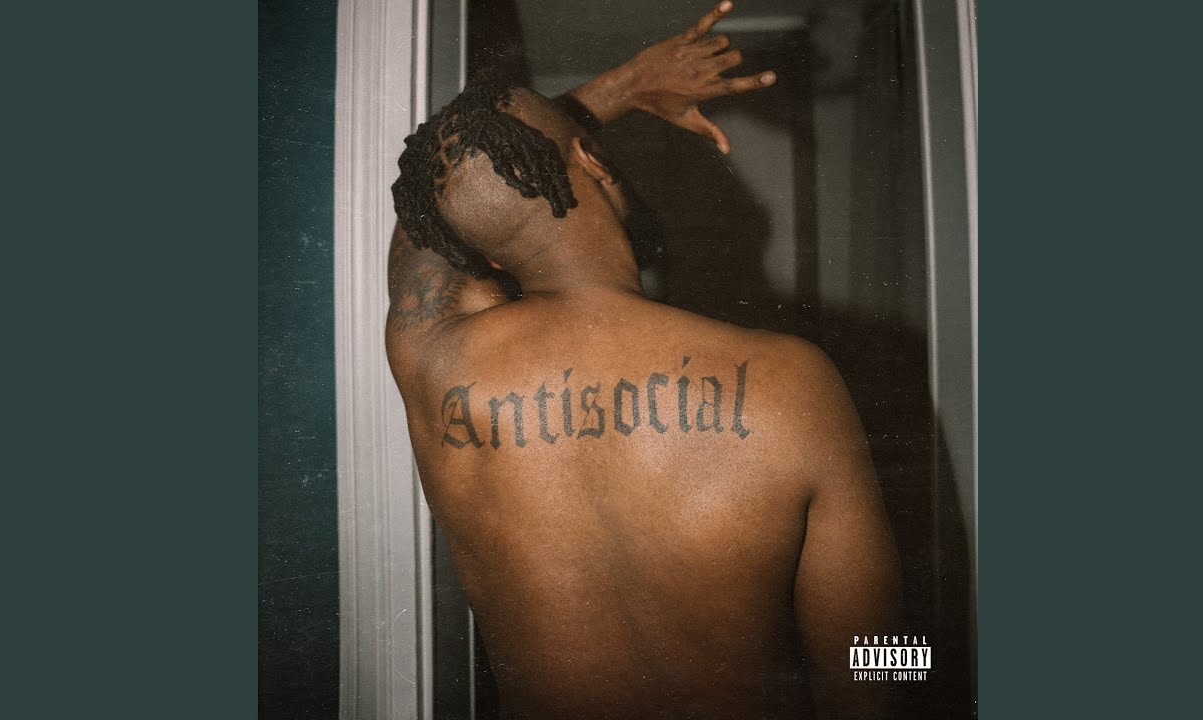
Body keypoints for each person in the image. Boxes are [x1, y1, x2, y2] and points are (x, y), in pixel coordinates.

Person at [386, 3, 901, 718]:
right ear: (595, 162)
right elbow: (875, 657)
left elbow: (426, 215)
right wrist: (921, 668)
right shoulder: (793, 382)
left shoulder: (436, 361)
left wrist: (609, 96)